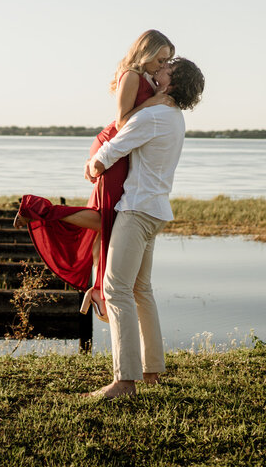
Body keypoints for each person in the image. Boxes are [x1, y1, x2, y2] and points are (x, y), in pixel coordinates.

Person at [14, 30, 175, 321]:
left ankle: (99, 289)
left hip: (121, 149)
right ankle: (39, 209)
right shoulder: (131, 75)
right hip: (113, 145)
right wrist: (152, 104)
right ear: (146, 53)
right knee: (106, 217)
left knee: (107, 219)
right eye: (159, 59)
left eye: (166, 61)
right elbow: (124, 120)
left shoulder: (149, 78)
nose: (162, 65)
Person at [84, 57, 204, 399]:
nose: (157, 71)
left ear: (171, 83)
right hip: (156, 211)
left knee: (116, 289)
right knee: (140, 289)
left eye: (165, 70)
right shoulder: (175, 118)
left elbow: (117, 144)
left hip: (137, 210)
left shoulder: (153, 116)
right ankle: (151, 370)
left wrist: (93, 165)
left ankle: (124, 382)